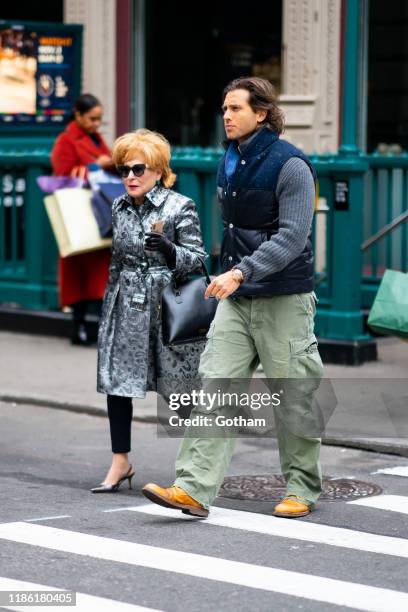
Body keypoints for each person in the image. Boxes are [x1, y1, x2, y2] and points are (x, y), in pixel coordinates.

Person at [142, 76, 324, 519]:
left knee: (292, 395)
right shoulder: (230, 160)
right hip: (237, 299)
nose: (227, 115)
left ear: (261, 113)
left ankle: (301, 487)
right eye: (224, 109)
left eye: (236, 108)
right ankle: (193, 488)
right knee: (214, 386)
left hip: (283, 298)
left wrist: (241, 272)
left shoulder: (291, 166)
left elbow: (294, 236)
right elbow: (232, 234)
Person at [92, 129, 207, 493]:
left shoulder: (179, 206)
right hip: (126, 304)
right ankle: (120, 462)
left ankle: (196, 472)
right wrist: (108, 308)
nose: (129, 176)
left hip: (167, 307)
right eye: (123, 169)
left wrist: (171, 250)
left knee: (180, 389)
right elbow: (116, 262)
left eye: (138, 168)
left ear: (158, 170)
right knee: (118, 384)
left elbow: (200, 260)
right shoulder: (118, 206)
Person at [51, 93, 113, 345]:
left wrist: (108, 164)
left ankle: (96, 328)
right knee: (78, 273)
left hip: (98, 212)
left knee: (99, 273)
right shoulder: (65, 141)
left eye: (99, 119)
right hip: (78, 214)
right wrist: (97, 168)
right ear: (78, 115)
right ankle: (78, 327)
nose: (96, 124)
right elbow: (62, 176)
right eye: (92, 119)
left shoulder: (95, 138)